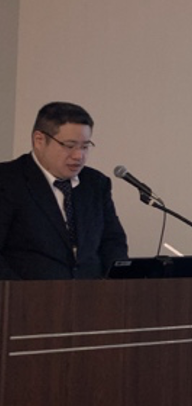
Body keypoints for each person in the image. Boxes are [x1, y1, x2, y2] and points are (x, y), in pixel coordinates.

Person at [0, 102, 128, 279]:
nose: (78, 156)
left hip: (92, 293)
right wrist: (19, 292)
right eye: (69, 146)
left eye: (85, 146)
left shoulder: (96, 184)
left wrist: (115, 284)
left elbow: (113, 242)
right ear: (39, 140)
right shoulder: (8, 180)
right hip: (26, 293)